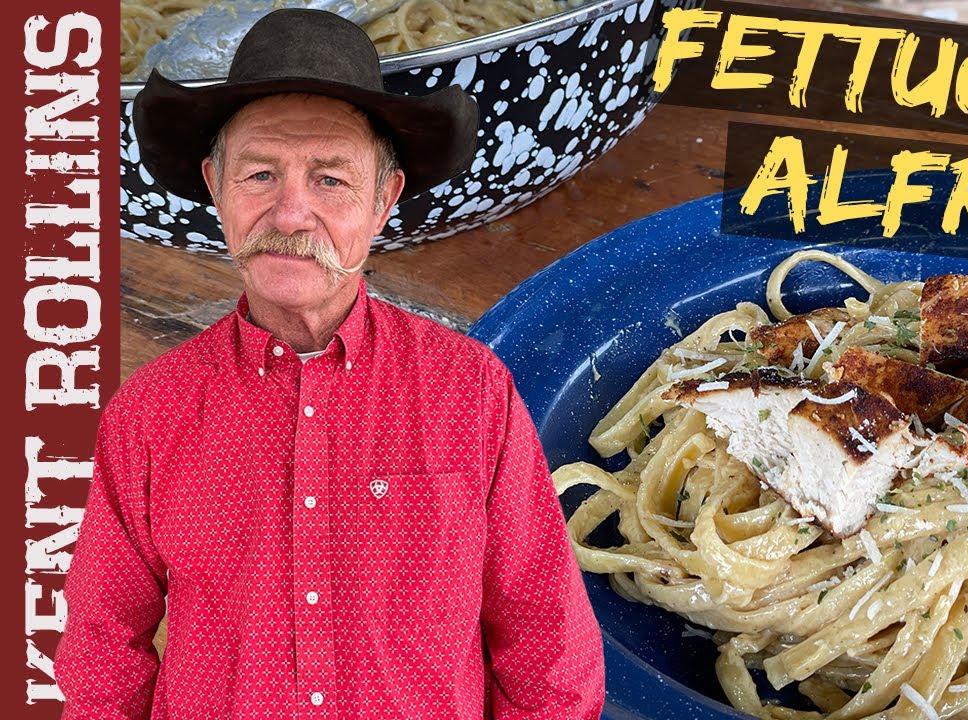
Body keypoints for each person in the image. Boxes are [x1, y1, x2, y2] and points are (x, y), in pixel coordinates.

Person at [54, 8, 605, 719]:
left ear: (383, 201)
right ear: (216, 190)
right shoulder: (150, 411)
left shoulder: (470, 390)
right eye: (259, 174)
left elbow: (546, 642)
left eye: (331, 180)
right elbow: (102, 649)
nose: (289, 214)